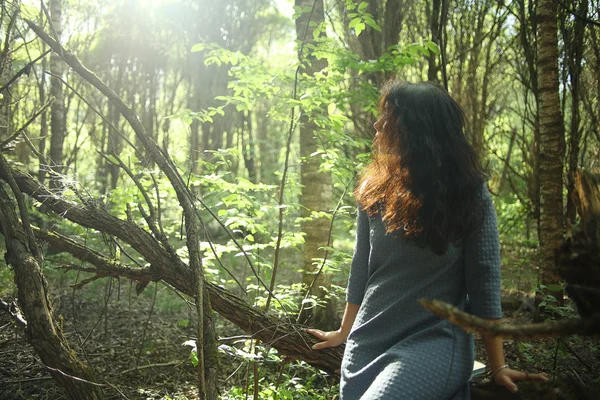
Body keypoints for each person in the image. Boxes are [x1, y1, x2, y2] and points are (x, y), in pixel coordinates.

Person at [306, 81, 547, 399]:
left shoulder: (469, 196)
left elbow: (484, 284)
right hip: (368, 341)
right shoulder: (373, 189)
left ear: (418, 129)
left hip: (434, 342)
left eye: (389, 116)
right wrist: (344, 331)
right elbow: (361, 270)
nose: (377, 124)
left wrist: (498, 365)